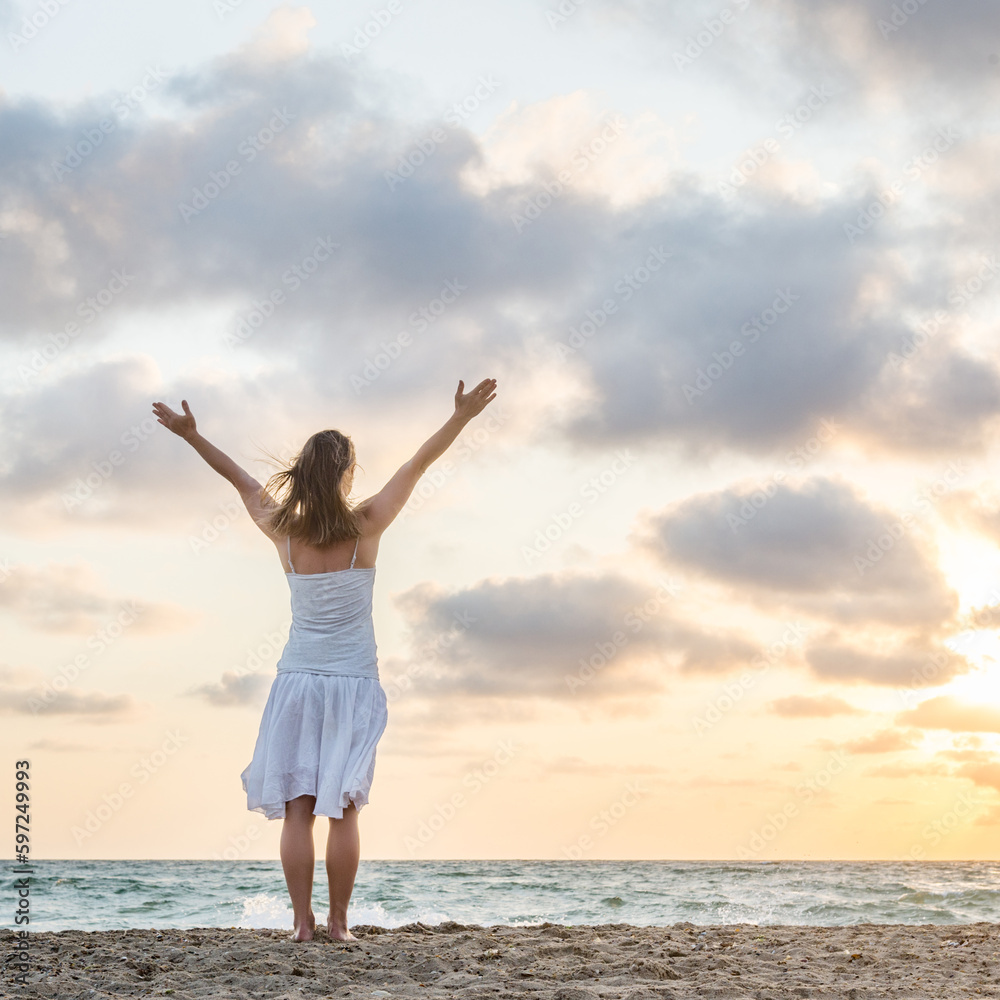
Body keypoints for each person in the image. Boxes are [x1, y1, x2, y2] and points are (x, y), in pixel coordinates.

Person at [152, 377, 498, 941]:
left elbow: (237, 478)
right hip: (353, 682)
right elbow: (418, 464)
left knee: (298, 810)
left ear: (302, 471)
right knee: (344, 810)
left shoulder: (282, 531)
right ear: (345, 473)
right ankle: (338, 923)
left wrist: (193, 436)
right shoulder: (366, 526)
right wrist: (460, 418)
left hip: (297, 683)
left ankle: (301, 924)